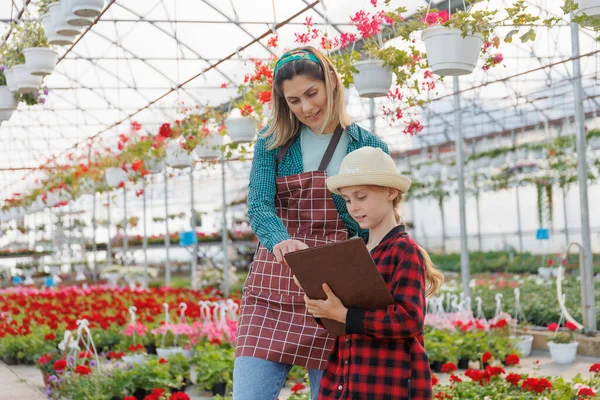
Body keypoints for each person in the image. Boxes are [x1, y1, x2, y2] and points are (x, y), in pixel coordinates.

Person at [233, 46, 389, 400]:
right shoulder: (272, 143)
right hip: (273, 287)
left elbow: (375, 220)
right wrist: (279, 240)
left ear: (331, 83)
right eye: (293, 101)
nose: (306, 108)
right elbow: (259, 205)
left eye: (311, 93)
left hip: (333, 293)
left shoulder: (367, 146)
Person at [303, 146, 444, 400]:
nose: (353, 208)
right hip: (347, 378)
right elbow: (343, 320)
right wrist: (322, 307)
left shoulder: (403, 251)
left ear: (391, 192)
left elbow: (410, 320)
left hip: (388, 383)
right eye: (347, 200)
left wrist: (345, 314)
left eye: (361, 196)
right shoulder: (355, 253)